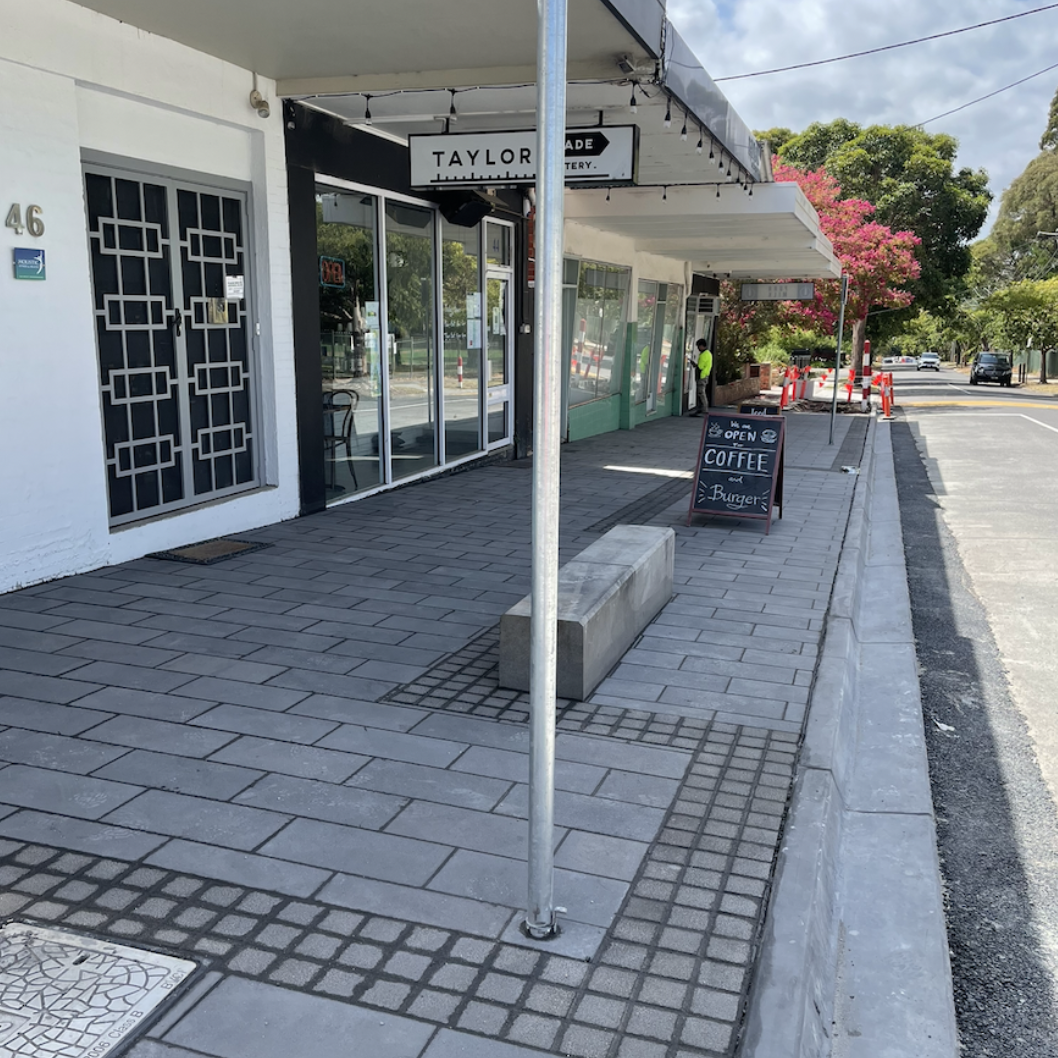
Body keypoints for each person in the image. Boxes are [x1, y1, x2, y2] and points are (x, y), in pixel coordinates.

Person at [693, 338, 713, 415]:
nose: (698, 348)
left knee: (701, 393)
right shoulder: (708, 353)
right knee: (700, 393)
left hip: (702, 376)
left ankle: (704, 409)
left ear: (702, 346)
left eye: (698, 346)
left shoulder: (704, 355)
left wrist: (695, 365)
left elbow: (700, 367)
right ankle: (701, 409)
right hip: (705, 375)